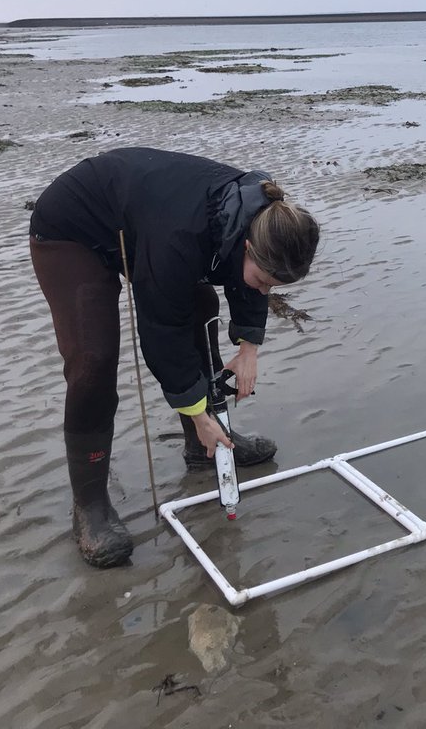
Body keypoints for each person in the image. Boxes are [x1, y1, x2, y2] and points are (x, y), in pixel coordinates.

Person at [29, 146, 320, 567]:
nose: (263, 289)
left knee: (201, 307)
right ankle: (89, 505)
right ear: (247, 245)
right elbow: (161, 330)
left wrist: (249, 348)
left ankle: (203, 446)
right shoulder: (180, 238)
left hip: (143, 221)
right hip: (73, 230)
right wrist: (198, 410)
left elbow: (250, 284)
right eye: (263, 278)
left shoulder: (264, 222)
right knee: (93, 360)